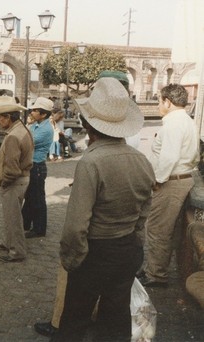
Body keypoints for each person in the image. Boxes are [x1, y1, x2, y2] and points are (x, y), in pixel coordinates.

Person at [49, 78, 155, 342]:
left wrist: (72, 259)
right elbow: (144, 213)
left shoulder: (91, 162)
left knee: (75, 318)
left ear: (87, 126)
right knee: (115, 317)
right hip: (127, 248)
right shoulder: (141, 161)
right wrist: (135, 244)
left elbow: (76, 226)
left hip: (96, 252)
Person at [138, 83, 200, 288]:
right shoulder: (186, 120)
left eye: (159, 101)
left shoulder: (173, 123)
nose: (158, 105)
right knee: (165, 228)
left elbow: (169, 156)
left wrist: (157, 181)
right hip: (180, 179)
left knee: (157, 228)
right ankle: (155, 269)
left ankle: (156, 274)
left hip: (171, 181)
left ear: (168, 101)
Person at [0, 95, 33, 263]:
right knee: (12, 216)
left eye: (0, 117)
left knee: (13, 218)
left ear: (8, 117)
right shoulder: (22, 129)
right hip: (22, 179)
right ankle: (8, 242)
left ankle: (17, 251)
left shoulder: (13, 136)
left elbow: (12, 169)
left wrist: (5, 182)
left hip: (15, 182)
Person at [21, 97, 54, 239]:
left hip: (37, 167)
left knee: (37, 199)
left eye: (35, 110)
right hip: (31, 166)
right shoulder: (35, 125)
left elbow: (25, 141)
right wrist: (28, 124)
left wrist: (27, 126)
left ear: (44, 114)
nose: (32, 112)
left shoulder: (46, 129)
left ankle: (39, 229)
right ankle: (25, 224)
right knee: (29, 197)